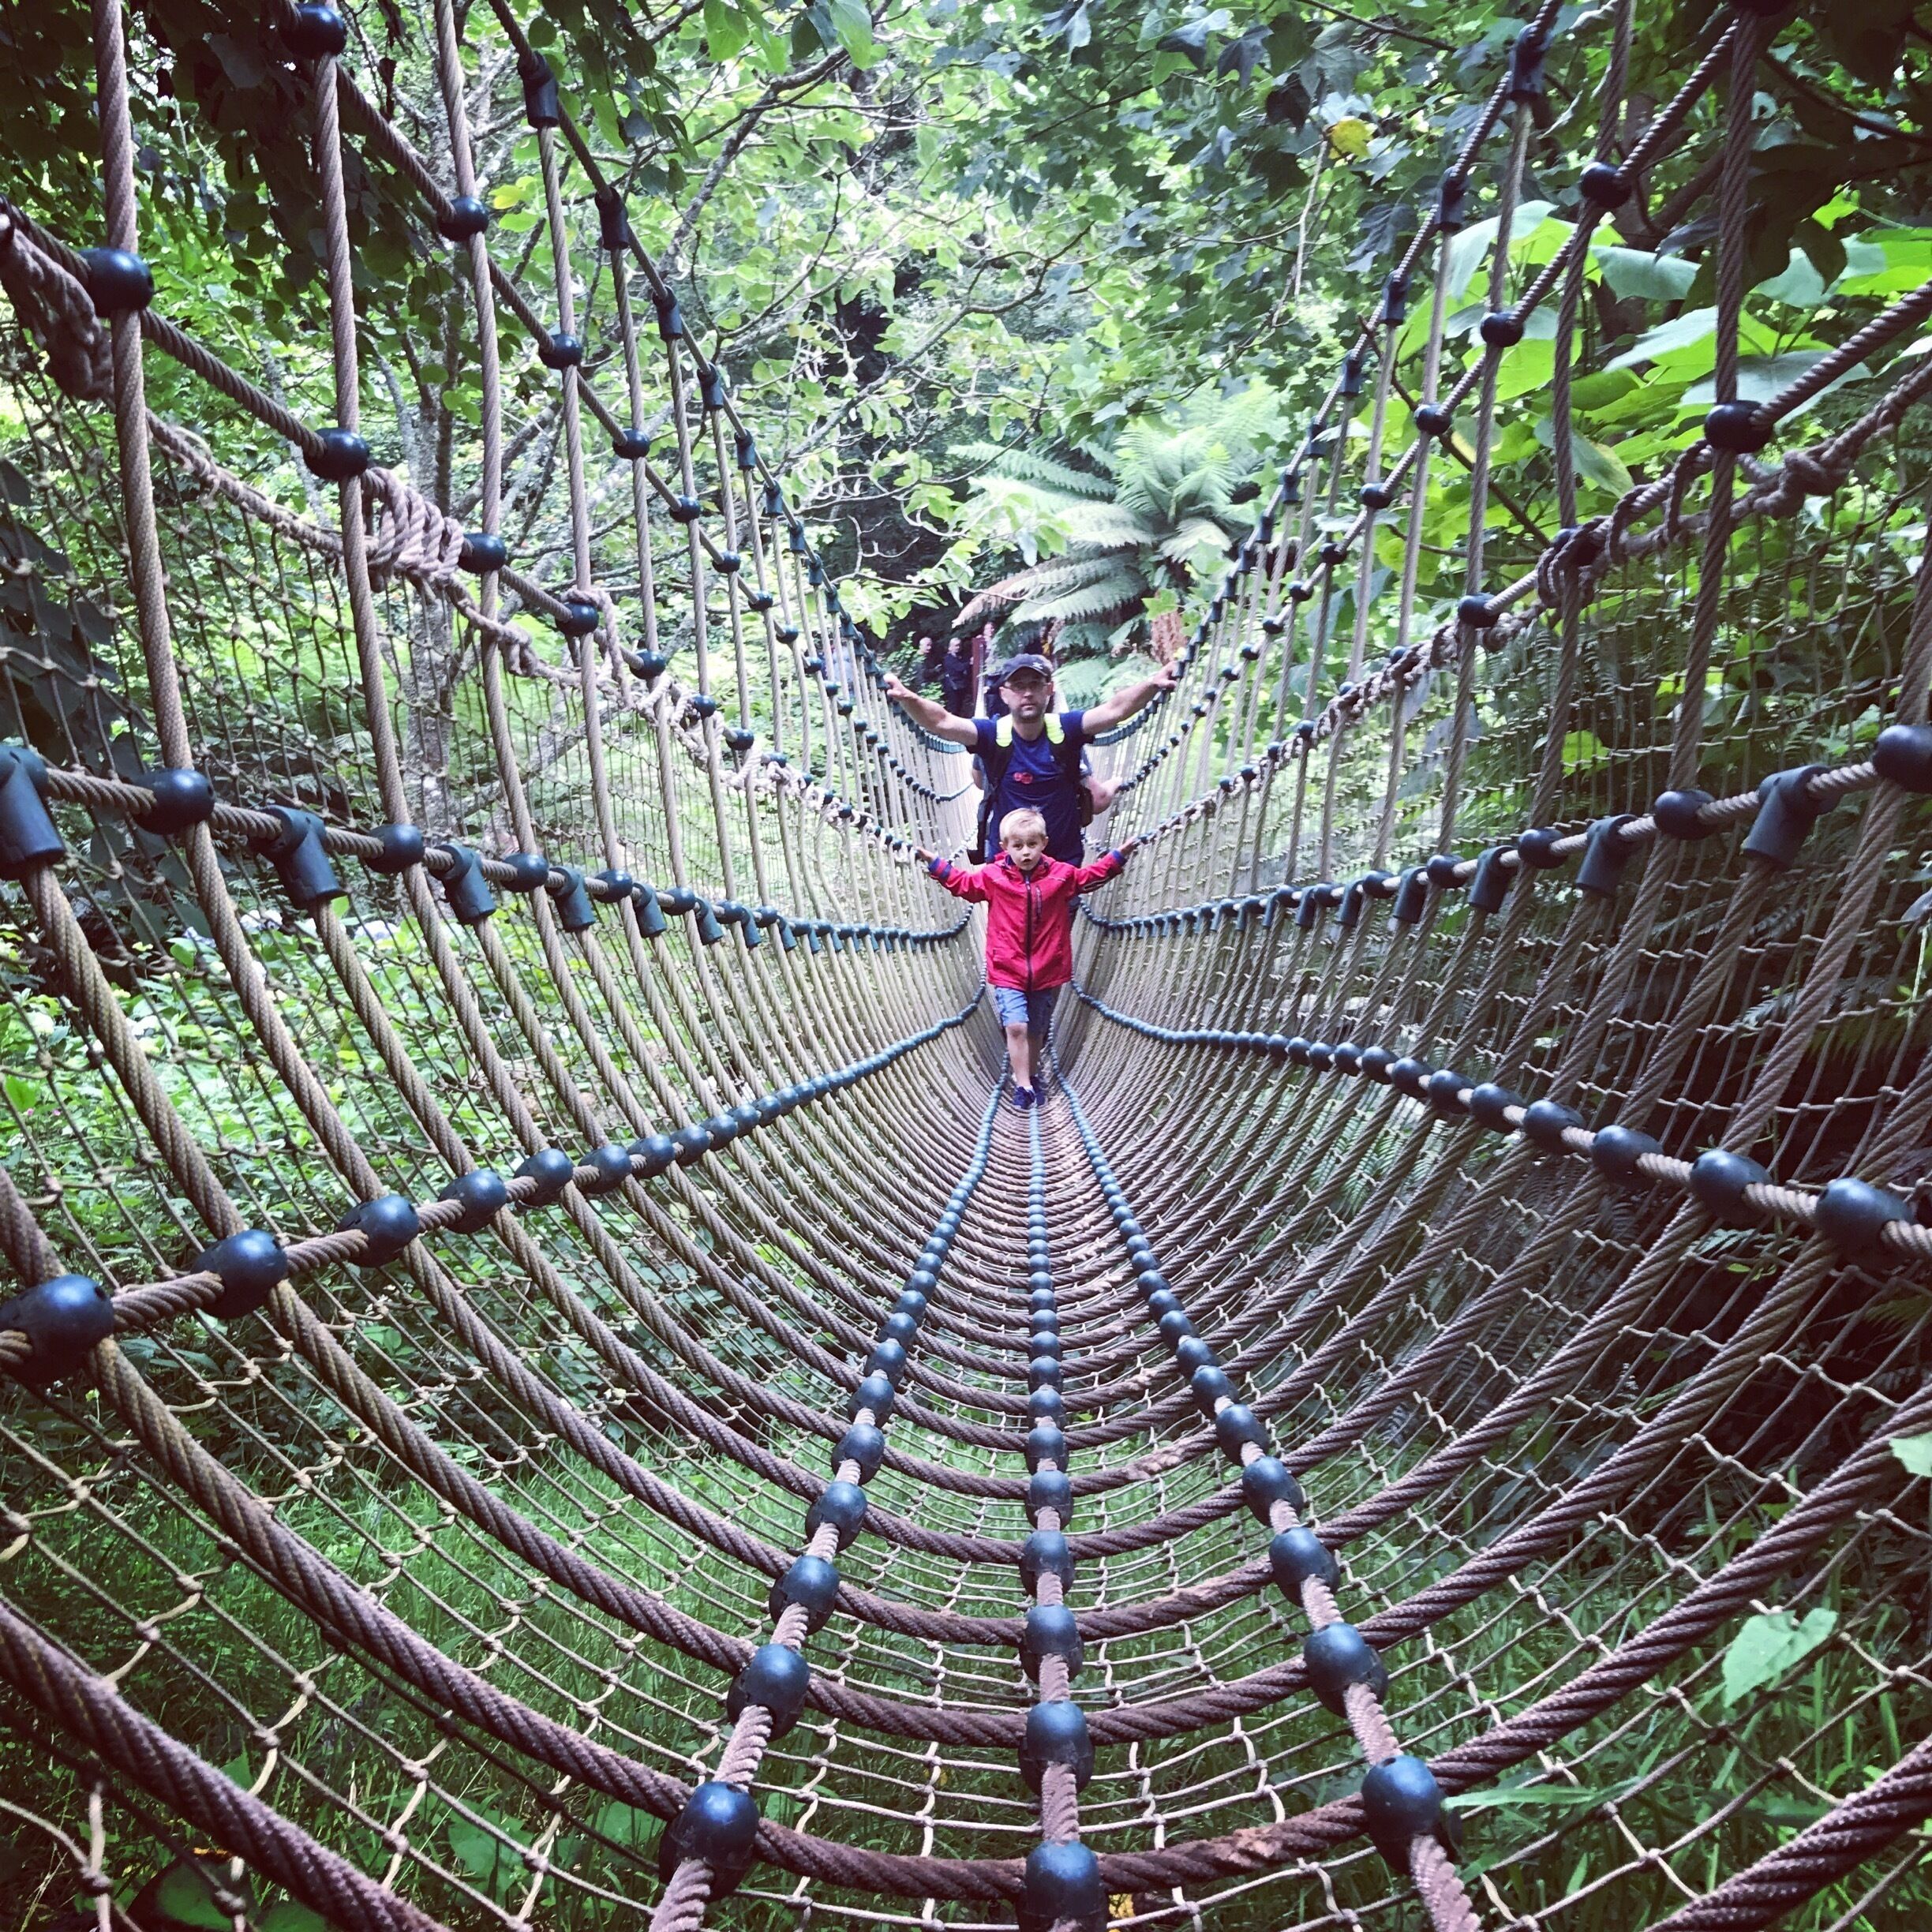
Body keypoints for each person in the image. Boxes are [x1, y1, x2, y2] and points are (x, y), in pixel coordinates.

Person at [915, 809, 1137, 1109]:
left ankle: (1032, 1074)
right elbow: (964, 885)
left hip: (1047, 969)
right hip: (1008, 968)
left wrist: (1118, 857)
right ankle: (1023, 1086)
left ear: (1044, 843)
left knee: (1035, 1030)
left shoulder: (1061, 875)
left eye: (1032, 844)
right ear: (1004, 847)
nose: (1026, 852)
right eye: (1018, 846)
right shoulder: (993, 877)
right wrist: (936, 864)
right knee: (1016, 1026)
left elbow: (1089, 878)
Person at [885, 651, 1178, 864]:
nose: (1027, 693)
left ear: (1049, 691)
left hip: (1061, 864)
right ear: (1004, 694)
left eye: (1035, 685)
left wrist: (1152, 684)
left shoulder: (1067, 729)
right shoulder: (991, 734)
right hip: (1006, 865)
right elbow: (942, 722)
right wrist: (909, 698)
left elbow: (1114, 710)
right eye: (1018, 686)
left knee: (1056, 935)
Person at [938, 635, 975, 716]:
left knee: (960, 707)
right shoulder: (948, 658)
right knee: (954, 707)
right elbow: (959, 668)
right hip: (952, 687)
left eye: (959, 645)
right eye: (956, 646)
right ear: (950, 647)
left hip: (961, 686)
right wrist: (970, 663)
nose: (958, 648)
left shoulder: (961, 657)